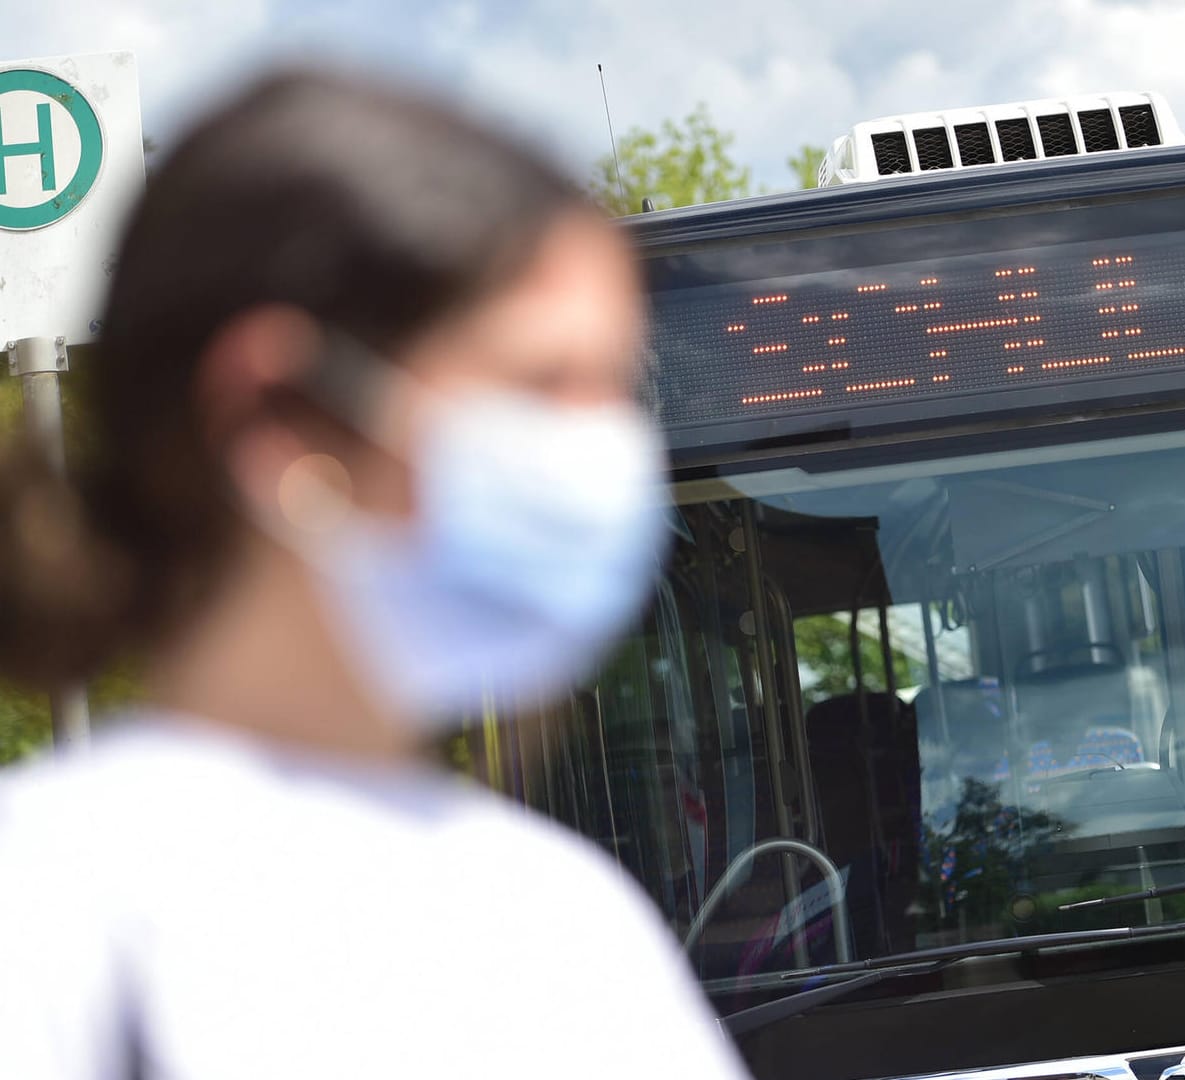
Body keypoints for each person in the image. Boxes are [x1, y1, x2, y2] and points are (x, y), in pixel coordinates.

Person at [0, 68, 751, 1078]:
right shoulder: (48, 931)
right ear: (279, 422)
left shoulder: (562, 930)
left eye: (612, 391)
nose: (602, 452)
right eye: (541, 385)